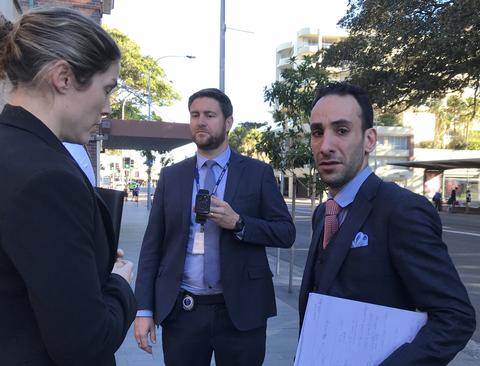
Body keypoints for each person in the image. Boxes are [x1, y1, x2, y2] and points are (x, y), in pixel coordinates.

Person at [299, 82, 475, 364]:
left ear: (370, 140)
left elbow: (455, 317)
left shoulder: (402, 210)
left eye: (341, 130)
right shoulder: (324, 213)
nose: (326, 145)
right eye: (318, 132)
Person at [0, 8, 136, 366]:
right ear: (63, 77)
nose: (107, 108)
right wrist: (119, 284)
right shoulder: (49, 179)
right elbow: (85, 344)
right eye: (106, 89)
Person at [134, 88, 296, 366]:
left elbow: (285, 232)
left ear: (228, 122)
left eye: (210, 115)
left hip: (241, 312)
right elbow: (152, 246)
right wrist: (143, 309)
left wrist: (239, 223)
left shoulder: (257, 173)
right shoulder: (172, 176)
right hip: (183, 311)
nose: (201, 121)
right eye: (195, 115)